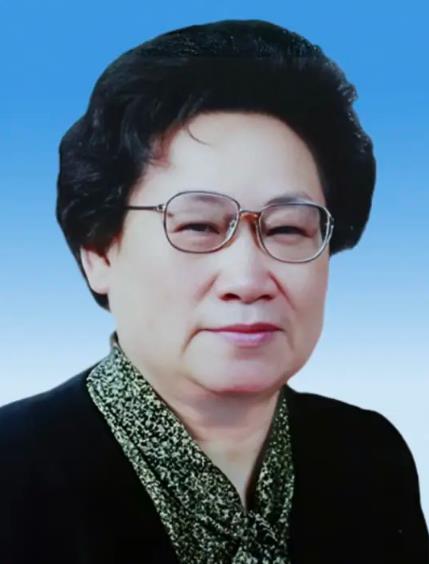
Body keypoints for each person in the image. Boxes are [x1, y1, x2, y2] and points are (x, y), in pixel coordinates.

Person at [0, 18, 427, 564]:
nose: (247, 279)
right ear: (99, 251)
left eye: (287, 229)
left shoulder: (368, 454)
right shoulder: (12, 471)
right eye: (199, 226)